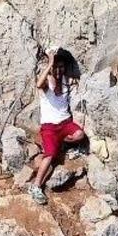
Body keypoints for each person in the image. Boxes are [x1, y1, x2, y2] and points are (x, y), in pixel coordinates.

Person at [28, 48, 86, 205]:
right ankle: (35, 186)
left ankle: (64, 143)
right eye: (56, 67)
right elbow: (38, 84)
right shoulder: (47, 83)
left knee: (80, 135)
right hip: (49, 127)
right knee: (50, 155)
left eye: (61, 67)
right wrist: (50, 63)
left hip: (65, 123)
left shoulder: (66, 81)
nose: (58, 70)